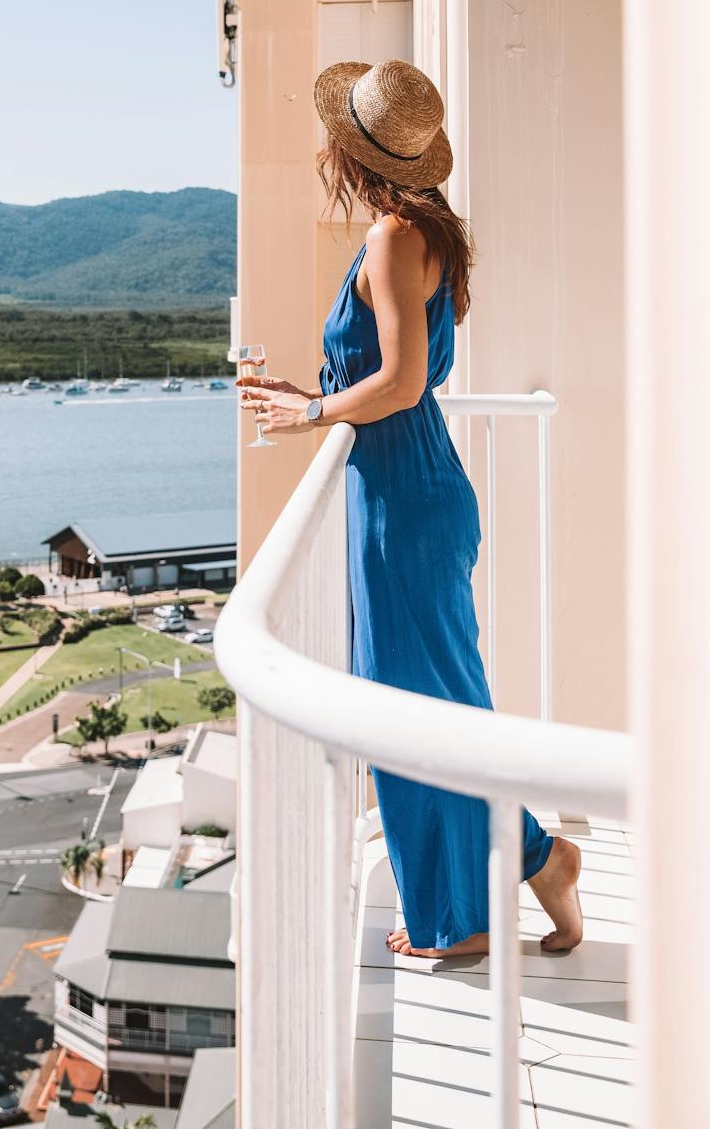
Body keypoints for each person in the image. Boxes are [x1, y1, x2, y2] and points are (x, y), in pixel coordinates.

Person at [240, 57, 583, 958]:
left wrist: (313, 411)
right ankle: (531, 868)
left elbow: (395, 382)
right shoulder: (425, 231)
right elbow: (392, 376)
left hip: (404, 501)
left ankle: (477, 906)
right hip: (411, 486)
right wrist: (310, 393)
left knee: (414, 710)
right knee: (436, 704)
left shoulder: (395, 236)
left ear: (354, 153)